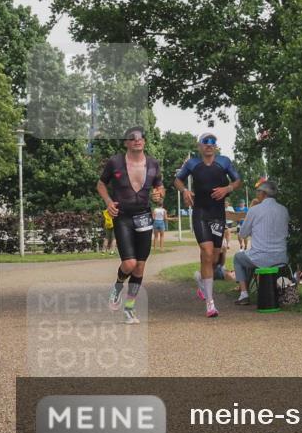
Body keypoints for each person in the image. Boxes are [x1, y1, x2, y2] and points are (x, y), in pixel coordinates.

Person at [97, 126, 164, 324]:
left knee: (140, 267)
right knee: (129, 263)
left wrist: (159, 194)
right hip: (123, 216)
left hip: (144, 215)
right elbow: (100, 184)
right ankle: (117, 287)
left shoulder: (153, 163)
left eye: (141, 137)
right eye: (132, 138)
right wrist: (109, 202)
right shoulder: (115, 162)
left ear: (144, 141)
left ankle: (129, 309)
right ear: (126, 142)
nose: (137, 140)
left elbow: (160, 187)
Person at [174, 132, 242, 318]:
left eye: (213, 142)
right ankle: (210, 303)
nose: (209, 145)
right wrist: (185, 191)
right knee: (206, 252)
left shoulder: (224, 162)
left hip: (217, 215)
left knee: (215, 257)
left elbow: (238, 180)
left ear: (216, 146)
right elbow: (177, 180)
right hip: (201, 213)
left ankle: (201, 281)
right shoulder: (192, 164)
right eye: (206, 142)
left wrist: (228, 188)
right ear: (200, 146)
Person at [233, 178, 289, 305]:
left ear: (263, 194)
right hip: (281, 257)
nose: (256, 194)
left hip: (260, 258)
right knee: (249, 257)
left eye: (258, 191)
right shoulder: (283, 210)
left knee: (238, 258)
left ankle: (244, 294)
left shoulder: (254, 210)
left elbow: (242, 234)